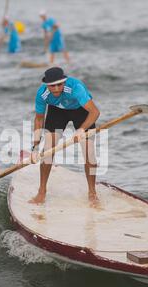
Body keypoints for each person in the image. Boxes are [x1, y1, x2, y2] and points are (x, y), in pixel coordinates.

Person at [30, 67, 100, 207]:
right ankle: (42, 191)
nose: (56, 89)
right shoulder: (42, 94)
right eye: (52, 86)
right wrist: (35, 147)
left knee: (89, 153)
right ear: (46, 85)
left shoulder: (75, 87)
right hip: (57, 112)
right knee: (48, 151)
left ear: (64, 82)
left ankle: (92, 193)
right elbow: (38, 119)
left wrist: (81, 129)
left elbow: (95, 112)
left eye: (59, 85)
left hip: (81, 111)